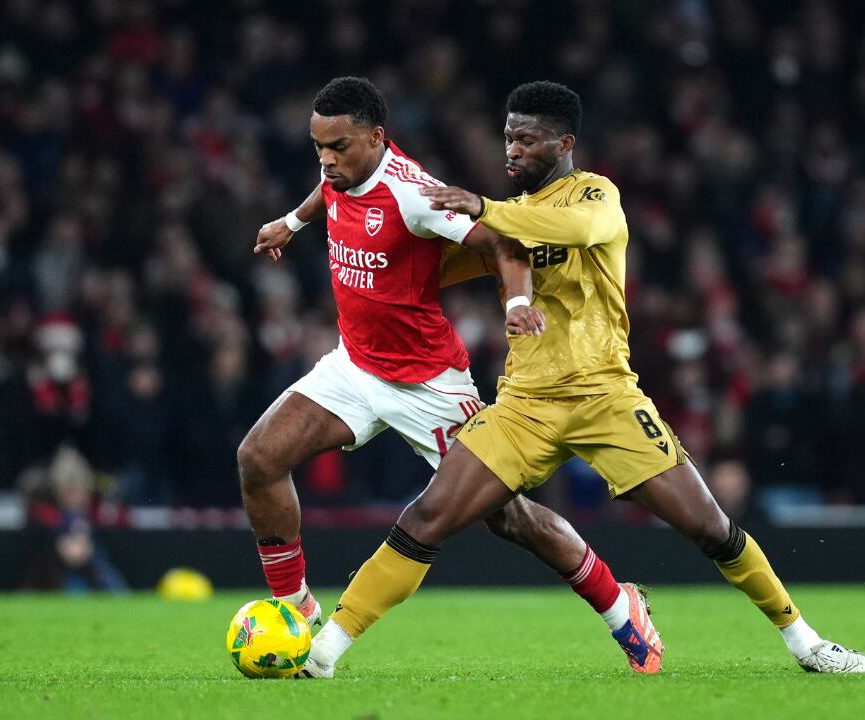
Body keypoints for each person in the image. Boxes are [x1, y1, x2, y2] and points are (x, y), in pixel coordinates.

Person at [301, 81, 865, 678]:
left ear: (564, 143)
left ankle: (807, 642)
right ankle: (323, 653)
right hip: (525, 405)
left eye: (527, 139)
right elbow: (432, 267)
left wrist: (485, 208)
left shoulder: (595, 194)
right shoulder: (507, 220)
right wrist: (366, 231)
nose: (512, 149)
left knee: (711, 529)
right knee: (427, 517)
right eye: (508, 137)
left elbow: (576, 229)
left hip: (606, 397)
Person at [242, 77, 661, 672]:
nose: (327, 160)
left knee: (509, 516)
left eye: (338, 147)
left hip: (430, 384)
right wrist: (292, 221)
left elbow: (506, 245)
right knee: (259, 458)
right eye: (319, 148)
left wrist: (518, 303)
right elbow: (327, 190)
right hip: (355, 365)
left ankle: (620, 606)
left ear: (376, 138)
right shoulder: (340, 173)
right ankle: (294, 610)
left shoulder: (415, 195)